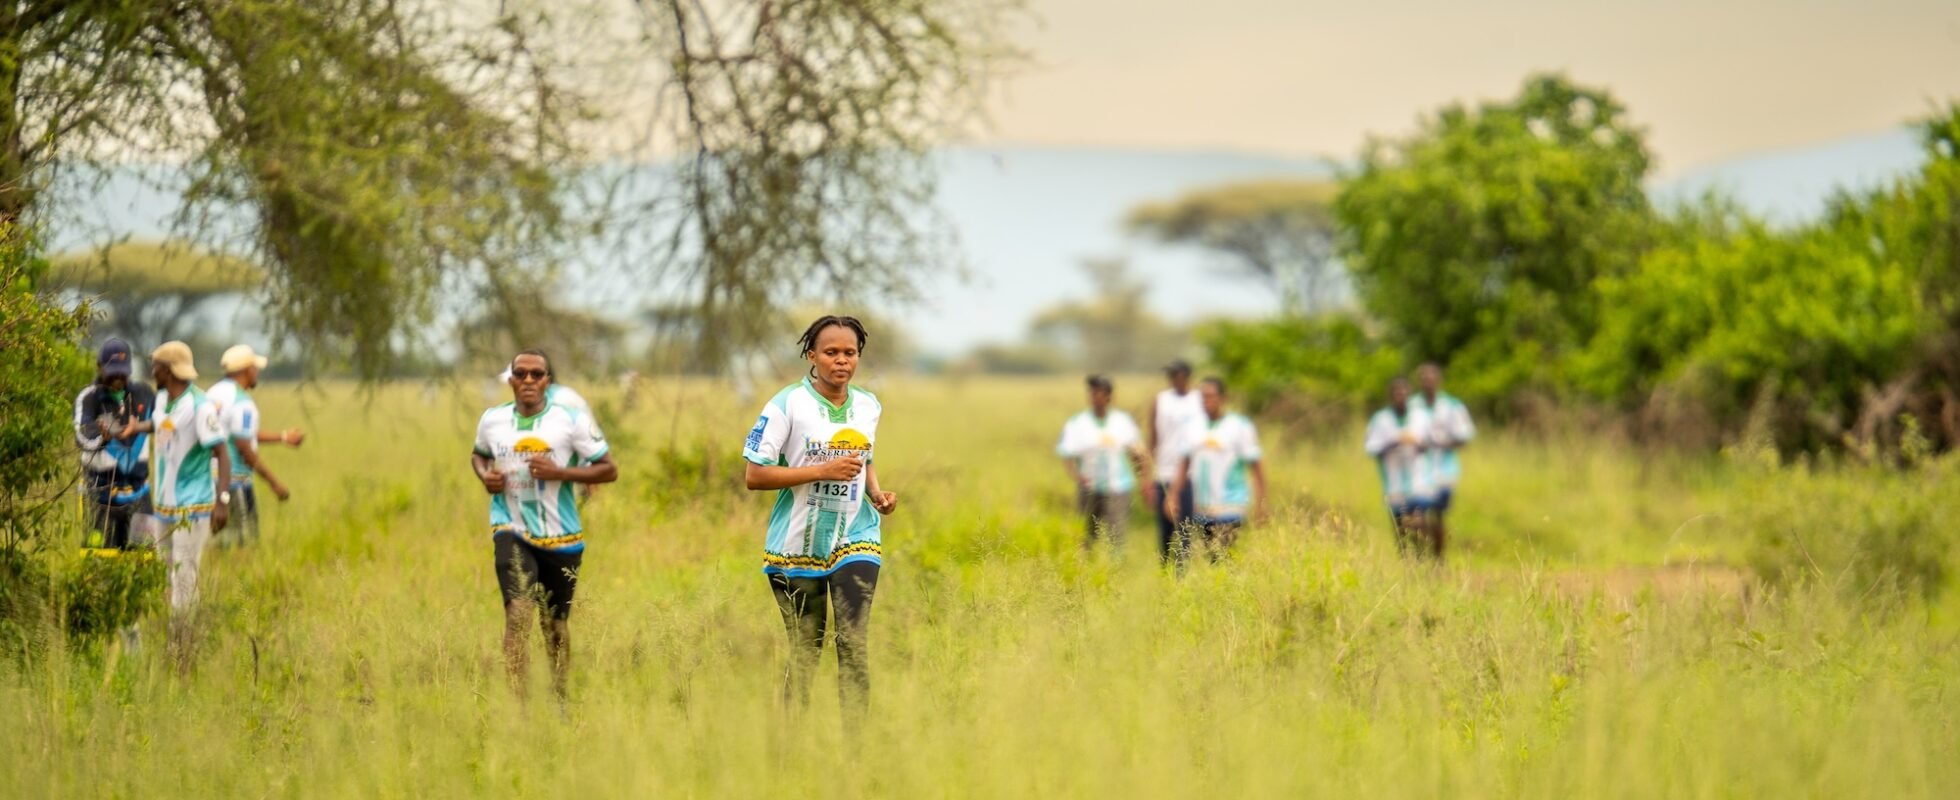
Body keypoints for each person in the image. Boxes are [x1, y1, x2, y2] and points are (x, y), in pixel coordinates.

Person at [741, 315, 897, 730]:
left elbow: (864, 458)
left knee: (852, 643)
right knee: (806, 651)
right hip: (795, 546)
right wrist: (821, 471)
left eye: (850, 353)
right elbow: (755, 476)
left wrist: (876, 494)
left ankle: (855, 759)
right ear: (812, 356)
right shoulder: (786, 404)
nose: (841, 361)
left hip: (856, 535)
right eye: (831, 352)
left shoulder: (868, 404)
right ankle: (789, 753)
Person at [471, 349, 617, 703]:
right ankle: (519, 710)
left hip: (561, 536)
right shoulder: (492, 420)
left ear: (548, 381)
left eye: (537, 374)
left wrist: (560, 473)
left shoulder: (571, 421)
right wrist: (485, 476)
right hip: (511, 527)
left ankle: (560, 698)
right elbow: (479, 454)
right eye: (521, 374)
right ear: (511, 380)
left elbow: (608, 469)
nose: (528, 381)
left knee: (554, 626)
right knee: (518, 612)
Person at [119, 341, 230, 639]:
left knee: (184, 578)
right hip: (165, 507)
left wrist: (222, 501)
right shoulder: (163, 398)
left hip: (192, 508)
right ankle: (179, 640)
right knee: (168, 576)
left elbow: (222, 452)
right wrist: (137, 427)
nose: (152, 370)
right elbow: (162, 425)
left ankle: (182, 647)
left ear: (167, 370)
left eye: (156, 365)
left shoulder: (200, 406)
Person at [205, 345, 305, 547]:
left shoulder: (213, 393)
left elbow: (241, 434)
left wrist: (283, 437)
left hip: (209, 481)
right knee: (244, 545)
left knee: (218, 543)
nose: (257, 372)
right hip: (235, 483)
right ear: (247, 370)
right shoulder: (241, 402)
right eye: (255, 368)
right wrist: (274, 483)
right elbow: (244, 448)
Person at [1165, 377, 1267, 567]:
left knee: (1222, 556)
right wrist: (1172, 495)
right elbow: (1184, 464)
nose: (1207, 401)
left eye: (1211, 397)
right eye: (1203, 397)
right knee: (1208, 557)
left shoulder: (1240, 426)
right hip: (1202, 505)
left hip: (1231, 505)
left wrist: (1262, 503)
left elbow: (1256, 467)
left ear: (1223, 398)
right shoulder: (1192, 426)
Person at [73, 339, 157, 551]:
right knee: (100, 567)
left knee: (144, 563)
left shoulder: (144, 394)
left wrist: (140, 427)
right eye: (112, 372)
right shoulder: (88, 398)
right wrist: (103, 438)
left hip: (140, 496)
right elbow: (82, 438)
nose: (118, 378)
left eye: (123, 372)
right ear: (99, 367)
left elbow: (167, 423)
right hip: (99, 499)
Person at [1056, 375, 1153, 554]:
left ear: (1108, 396)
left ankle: (1117, 569)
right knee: (1086, 533)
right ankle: (1085, 570)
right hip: (1089, 486)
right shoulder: (1078, 423)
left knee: (1116, 531)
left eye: (1098, 393)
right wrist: (1077, 476)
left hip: (1118, 485)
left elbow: (1139, 454)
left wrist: (1145, 481)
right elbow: (1067, 455)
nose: (1094, 398)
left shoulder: (1122, 422)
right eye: (1091, 393)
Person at [1365, 377, 1438, 559]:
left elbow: (1432, 441)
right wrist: (1393, 442)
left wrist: (1419, 444)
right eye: (1397, 393)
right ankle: (1406, 561)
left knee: (1419, 519)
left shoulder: (1420, 417)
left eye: (1404, 393)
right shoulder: (1381, 419)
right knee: (1400, 526)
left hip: (1418, 478)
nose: (1401, 396)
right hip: (1394, 480)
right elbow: (1371, 447)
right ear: (1391, 396)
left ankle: (1423, 555)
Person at [1411, 363, 1474, 559]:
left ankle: (1438, 558)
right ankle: (1420, 556)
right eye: (1424, 379)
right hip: (1417, 472)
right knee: (1416, 517)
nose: (1428, 383)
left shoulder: (1452, 406)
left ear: (1438, 381)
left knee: (1437, 515)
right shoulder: (1412, 406)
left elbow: (1465, 437)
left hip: (1444, 471)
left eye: (1431, 379)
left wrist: (1442, 443)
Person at [1146, 359, 1205, 564]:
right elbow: (1152, 439)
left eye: (1177, 375)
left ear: (1187, 377)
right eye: (1170, 376)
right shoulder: (1160, 401)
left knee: (1185, 528)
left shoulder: (1199, 400)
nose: (1173, 380)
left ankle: (1182, 573)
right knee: (1165, 530)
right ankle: (1165, 569)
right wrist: (1147, 476)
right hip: (1164, 472)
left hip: (1191, 474)